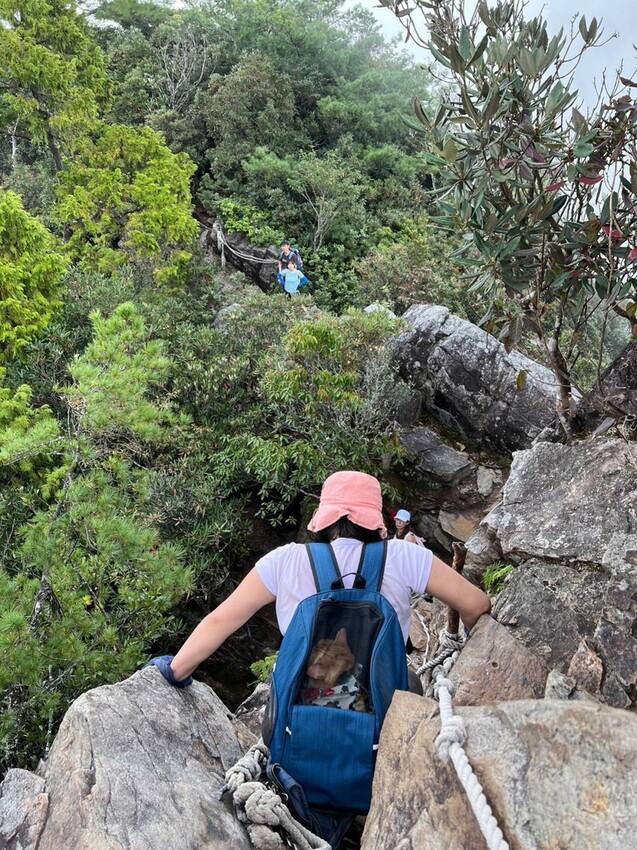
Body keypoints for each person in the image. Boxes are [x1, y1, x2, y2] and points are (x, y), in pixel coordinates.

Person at [151, 471, 490, 689]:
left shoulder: (284, 561)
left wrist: (176, 670)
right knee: (412, 686)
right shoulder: (405, 555)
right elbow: (476, 605)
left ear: (323, 518)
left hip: (301, 705)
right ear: (375, 520)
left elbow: (222, 620)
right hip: (381, 704)